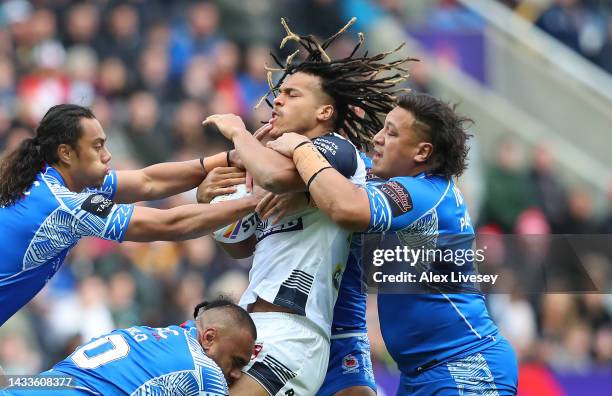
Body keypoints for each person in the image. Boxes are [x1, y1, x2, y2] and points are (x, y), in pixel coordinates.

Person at [199, 18, 412, 396]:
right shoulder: (277, 162)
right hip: (252, 324)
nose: (277, 99)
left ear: (324, 113)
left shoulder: (337, 152)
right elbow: (239, 246)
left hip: (300, 330)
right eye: (279, 92)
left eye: (293, 94)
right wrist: (211, 205)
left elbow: (274, 177)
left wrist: (239, 134)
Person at [267, 93, 519, 395]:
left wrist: (298, 146)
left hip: (466, 365)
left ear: (422, 152)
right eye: (382, 128)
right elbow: (337, 166)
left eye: (392, 132)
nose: (377, 138)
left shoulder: (426, 193)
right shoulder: (398, 185)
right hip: (419, 375)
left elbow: (345, 208)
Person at [0, 104, 262, 326]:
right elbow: (170, 224)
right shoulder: (65, 204)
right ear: (66, 153)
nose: (107, 155)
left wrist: (229, 158)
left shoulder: (56, 179)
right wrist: (255, 200)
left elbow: (148, 181)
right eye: (97, 147)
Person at [2, 298, 256, 395]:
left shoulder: (141, 334)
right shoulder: (204, 373)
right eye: (237, 361)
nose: (236, 373)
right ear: (209, 338)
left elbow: (72, 381)